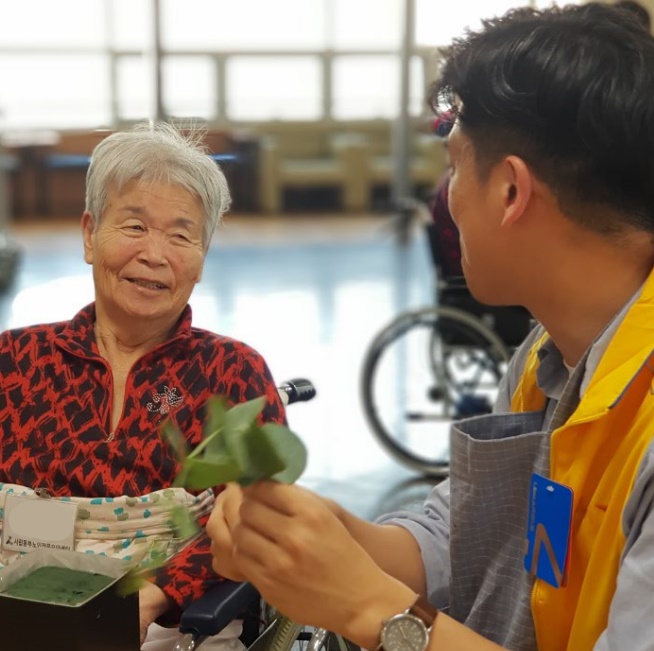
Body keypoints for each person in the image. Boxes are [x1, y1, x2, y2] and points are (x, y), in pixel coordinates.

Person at [206, 4, 654, 651]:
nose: (446, 196)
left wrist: (370, 608)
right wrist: (334, 541)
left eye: (454, 166)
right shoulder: (549, 357)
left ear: (510, 191)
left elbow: (377, 604)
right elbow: (465, 532)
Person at [0, 122, 286, 650]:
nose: (155, 254)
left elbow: (257, 520)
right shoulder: (14, 361)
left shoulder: (232, 372)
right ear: (90, 235)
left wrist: (148, 601)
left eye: (181, 235)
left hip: (166, 626)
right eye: (134, 226)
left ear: (201, 258)